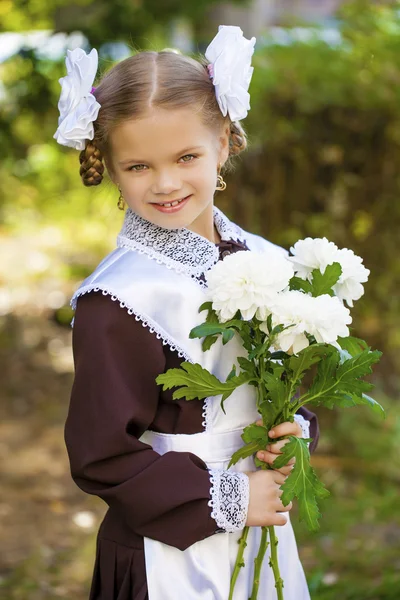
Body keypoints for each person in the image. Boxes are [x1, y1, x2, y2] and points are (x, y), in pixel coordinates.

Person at [58, 26, 320, 600]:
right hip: (169, 552)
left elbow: (285, 385)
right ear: (109, 165)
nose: (167, 183)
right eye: (139, 167)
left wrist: (292, 431)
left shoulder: (266, 261)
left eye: (186, 156)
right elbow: (101, 455)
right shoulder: (118, 300)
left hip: (263, 529)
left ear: (223, 143)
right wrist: (227, 500)